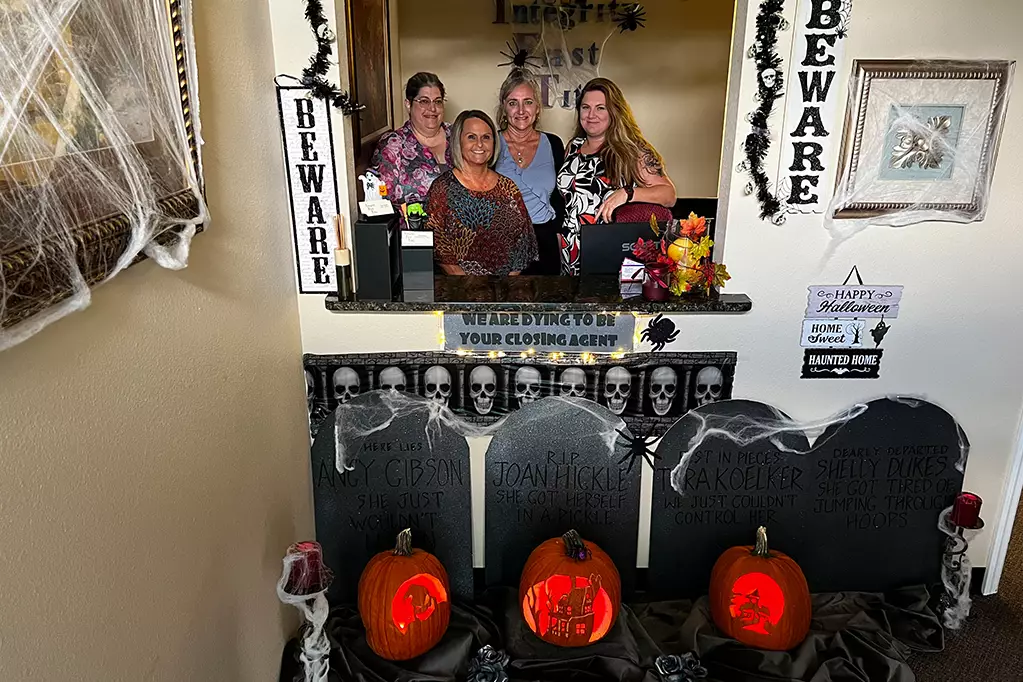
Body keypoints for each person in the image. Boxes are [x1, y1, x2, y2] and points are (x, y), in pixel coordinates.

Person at [557, 78, 677, 275]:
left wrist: (627, 193)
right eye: (586, 107)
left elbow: (669, 195)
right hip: (570, 253)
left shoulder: (631, 150)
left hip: (608, 251)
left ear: (614, 111)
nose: (591, 115)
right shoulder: (573, 146)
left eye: (600, 108)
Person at [426, 110, 537, 276]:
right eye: (471, 137)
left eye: (486, 137)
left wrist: (505, 289)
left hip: (505, 292)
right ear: (458, 141)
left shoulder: (508, 188)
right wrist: (470, 290)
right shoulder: (442, 189)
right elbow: (438, 247)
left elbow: (523, 244)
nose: (479, 144)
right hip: (459, 292)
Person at [494, 70, 565, 275]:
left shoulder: (554, 144)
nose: (521, 110)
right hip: (503, 243)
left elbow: (561, 197)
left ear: (537, 108)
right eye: (513, 103)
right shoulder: (490, 144)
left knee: (549, 304)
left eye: (528, 102)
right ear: (504, 108)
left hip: (546, 243)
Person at [369, 72, 452, 207]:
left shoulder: (457, 135)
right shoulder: (393, 145)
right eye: (424, 101)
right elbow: (383, 202)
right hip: (413, 226)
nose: (432, 108)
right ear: (408, 104)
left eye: (438, 101)